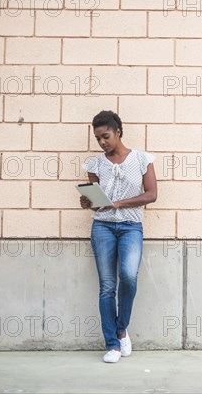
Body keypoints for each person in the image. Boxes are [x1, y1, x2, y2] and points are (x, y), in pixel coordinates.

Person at [79, 110, 157, 363]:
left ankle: (122, 328)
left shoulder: (141, 159)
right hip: (102, 227)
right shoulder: (95, 164)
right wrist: (87, 202)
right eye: (98, 138)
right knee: (107, 288)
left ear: (118, 132)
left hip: (131, 227)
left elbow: (151, 194)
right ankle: (112, 344)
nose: (102, 142)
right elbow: (96, 203)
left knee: (128, 276)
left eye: (106, 136)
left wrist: (118, 204)